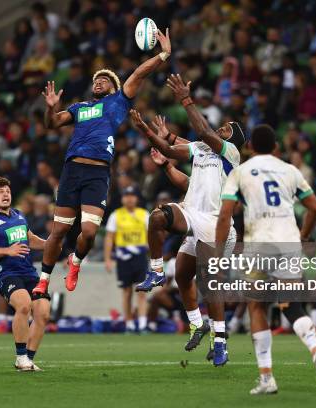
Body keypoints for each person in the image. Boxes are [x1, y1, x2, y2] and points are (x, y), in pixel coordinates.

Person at [33, 28, 172, 297]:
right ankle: (43, 281)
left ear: (114, 87)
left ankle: (75, 261)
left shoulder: (118, 102)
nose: (99, 81)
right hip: (72, 170)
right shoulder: (78, 108)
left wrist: (163, 54)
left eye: (105, 79)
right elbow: (51, 124)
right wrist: (50, 107)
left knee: (88, 232)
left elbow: (139, 73)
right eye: (96, 79)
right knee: (58, 231)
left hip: (97, 173)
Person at [132, 73, 246, 366]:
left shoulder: (230, 154)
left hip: (218, 226)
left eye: (226, 129)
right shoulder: (201, 150)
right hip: (195, 217)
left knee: (210, 284)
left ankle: (220, 341)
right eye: (220, 127)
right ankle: (187, 311)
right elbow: (171, 151)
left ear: (233, 140)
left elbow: (205, 131)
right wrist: (146, 130)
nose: (220, 130)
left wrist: (185, 99)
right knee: (159, 222)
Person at [216, 124, 316, 394]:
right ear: (276, 146)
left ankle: (267, 377)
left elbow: (225, 216)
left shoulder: (240, 172)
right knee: (290, 305)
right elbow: (315, 207)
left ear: (250, 147)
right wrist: (303, 233)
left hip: (259, 244)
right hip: (289, 242)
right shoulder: (290, 170)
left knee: (257, 307)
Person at [0, 177, 48, 371]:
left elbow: (30, 239)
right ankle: (21, 356)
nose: (5, 194)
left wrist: (52, 245)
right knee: (24, 305)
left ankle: (28, 360)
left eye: (7, 190)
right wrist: (7, 251)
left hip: (28, 272)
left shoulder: (19, 215)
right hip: (6, 273)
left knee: (43, 312)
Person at [103, 186, 150, 334]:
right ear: (122, 198)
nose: (129, 199)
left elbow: (152, 236)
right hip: (123, 257)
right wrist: (107, 259)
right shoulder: (115, 215)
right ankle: (129, 323)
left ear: (137, 198)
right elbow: (109, 237)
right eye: (126, 196)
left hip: (140, 256)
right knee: (126, 291)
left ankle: (142, 324)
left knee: (142, 291)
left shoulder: (144, 214)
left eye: (132, 196)